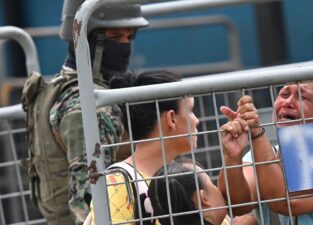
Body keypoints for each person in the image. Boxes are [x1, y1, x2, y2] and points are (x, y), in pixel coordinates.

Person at [22, 1, 149, 224]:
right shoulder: (91, 106)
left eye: (129, 37)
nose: (125, 46)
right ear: (85, 38)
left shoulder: (56, 88)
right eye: (114, 36)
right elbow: (89, 202)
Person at [87, 71, 257, 225]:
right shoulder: (117, 182)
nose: (196, 120)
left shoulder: (189, 174)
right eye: (190, 110)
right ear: (171, 119)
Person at [218, 81, 313, 225]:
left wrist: (256, 132)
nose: (287, 102)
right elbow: (238, 205)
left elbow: (283, 202)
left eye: (303, 97)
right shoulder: (260, 153)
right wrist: (232, 157)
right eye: (284, 94)